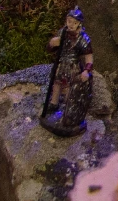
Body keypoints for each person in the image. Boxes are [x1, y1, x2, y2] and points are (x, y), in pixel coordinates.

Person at [40, 8, 94, 137]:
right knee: (57, 83)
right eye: (69, 21)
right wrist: (52, 44)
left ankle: (68, 109)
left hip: (72, 66)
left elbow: (89, 57)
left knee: (70, 87)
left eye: (74, 22)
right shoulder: (62, 33)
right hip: (61, 64)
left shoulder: (83, 38)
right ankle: (54, 104)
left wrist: (86, 70)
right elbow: (50, 49)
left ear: (79, 23)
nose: (71, 25)